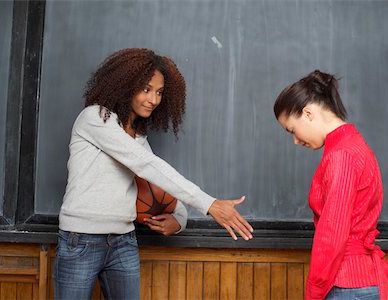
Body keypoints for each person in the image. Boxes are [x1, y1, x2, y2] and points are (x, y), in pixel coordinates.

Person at [54, 48, 253, 300]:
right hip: (81, 240)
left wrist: (179, 219)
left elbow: (156, 176)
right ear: (125, 86)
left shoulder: (138, 138)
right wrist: (209, 204)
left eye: (159, 92)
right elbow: (146, 165)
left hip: (123, 242)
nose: (154, 100)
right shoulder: (95, 118)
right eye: (146, 89)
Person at [274, 70, 388, 300]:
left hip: (349, 285)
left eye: (292, 129)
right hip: (360, 282)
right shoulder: (352, 146)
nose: (295, 140)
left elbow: (333, 234)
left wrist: (313, 292)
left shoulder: (342, 155)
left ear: (308, 113)